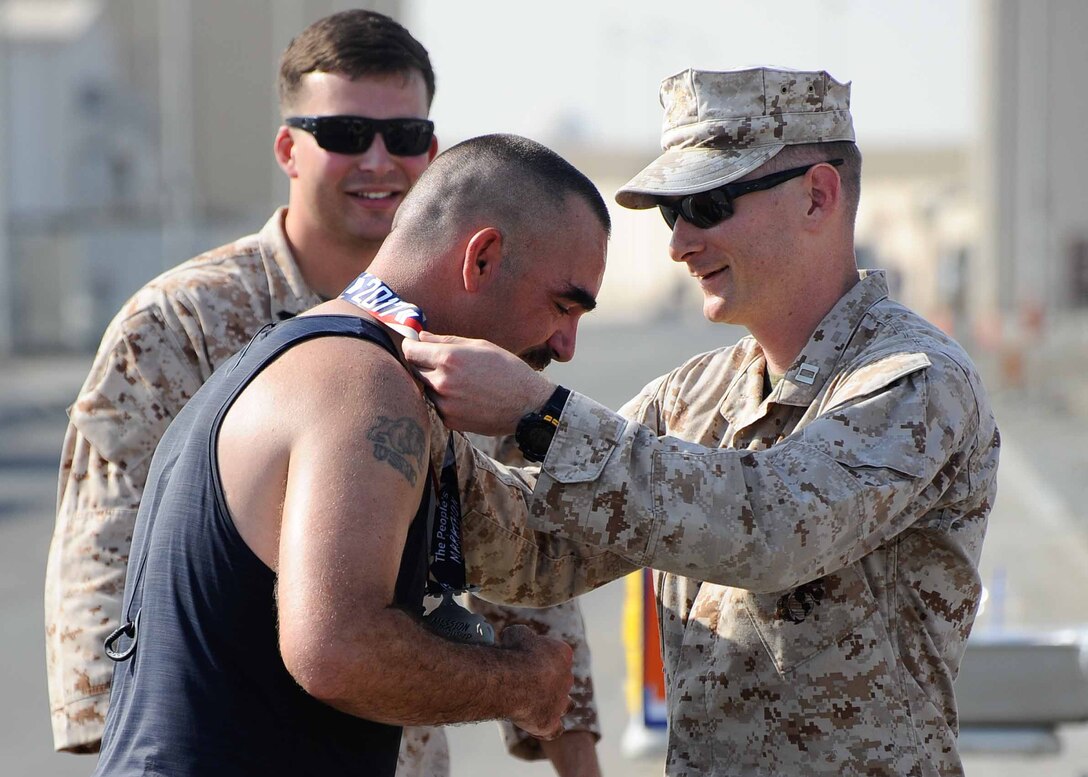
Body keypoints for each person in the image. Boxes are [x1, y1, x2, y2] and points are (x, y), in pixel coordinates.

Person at [43, 10, 601, 775]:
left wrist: (569, 741)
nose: (378, 159)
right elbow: (112, 562)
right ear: (289, 149)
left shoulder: (461, 344)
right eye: (345, 133)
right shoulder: (185, 323)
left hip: (398, 732)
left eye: (404, 137)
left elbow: (521, 544)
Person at [403, 67, 1001, 776]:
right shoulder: (693, 396)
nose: (680, 243)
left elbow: (772, 528)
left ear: (818, 195)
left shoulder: (916, 380)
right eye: (671, 214)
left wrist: (542, 413)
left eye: (709, 205)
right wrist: (404, 437)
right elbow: (539, 548)